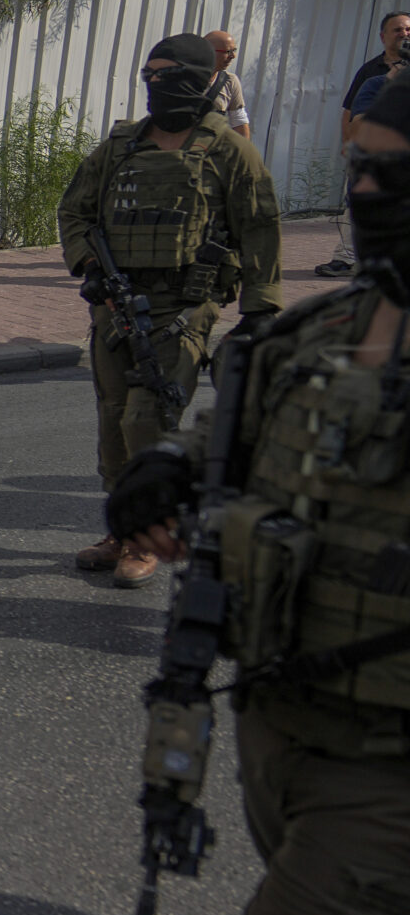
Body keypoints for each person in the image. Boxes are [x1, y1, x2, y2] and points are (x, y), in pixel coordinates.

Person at [108, 78, 410, 915]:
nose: (362, 190)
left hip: (389, 775)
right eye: (355, 166)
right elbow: (232, 432)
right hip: (281, 737)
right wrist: (172, 471)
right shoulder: (319, 337)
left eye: (388, 171)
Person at [57, 31, 282, 588]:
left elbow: (260, 230)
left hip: (187, 306)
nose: (156, 85)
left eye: (168, 75)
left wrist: (261, 311)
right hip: (116, 305)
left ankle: (147, 534)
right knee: (113, 419)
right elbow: (75, 212)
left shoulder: (229, 150)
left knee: (146, 417)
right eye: (149, 75)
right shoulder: (120, 147)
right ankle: (121, 528)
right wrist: (91, 267)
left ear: (201, 79)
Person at [320, 11, 410, 278]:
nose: (405, 34)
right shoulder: (373, 77)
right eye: (398, 30)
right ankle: (347, 257)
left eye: (408, 29)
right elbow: (352, 116)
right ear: (383, 36)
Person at [206, 30, 252, 142]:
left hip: (211, 153)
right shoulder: (184, 79)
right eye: (228, 51)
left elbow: (239, 121)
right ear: (208, 51)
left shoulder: (230, 81)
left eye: (234, 51)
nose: (233, 56)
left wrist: (242, 154)